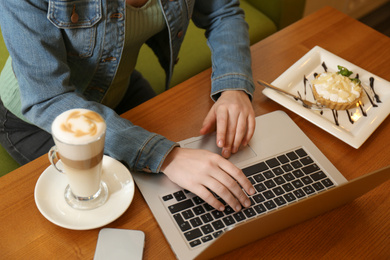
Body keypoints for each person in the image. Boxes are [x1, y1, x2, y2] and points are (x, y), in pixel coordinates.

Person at [0, 0, 256, 212]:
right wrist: (166, 155)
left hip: (116, 87)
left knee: (178, 192)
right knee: (126, 204)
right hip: (40, 118)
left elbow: (223, 12)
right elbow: (47, 97)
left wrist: (234, 87)